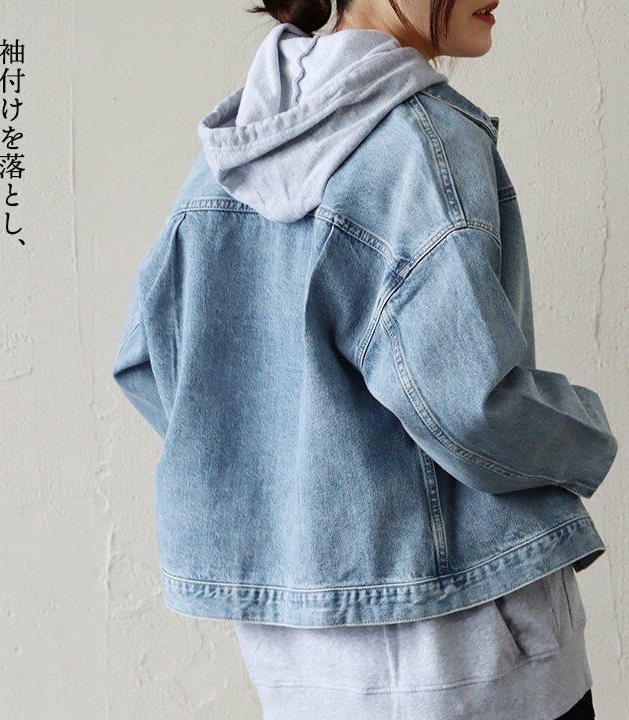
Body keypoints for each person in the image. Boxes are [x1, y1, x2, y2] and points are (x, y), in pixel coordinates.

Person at [112, 1, 618, 718]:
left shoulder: (226, 161)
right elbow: (472, 408)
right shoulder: (424, 144)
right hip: (474, 651)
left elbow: (147, 362)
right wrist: (588, 435)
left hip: (301, 666)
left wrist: (298, 487)